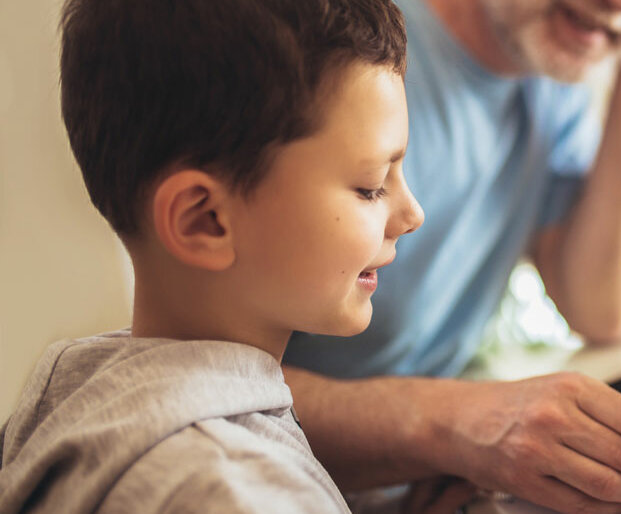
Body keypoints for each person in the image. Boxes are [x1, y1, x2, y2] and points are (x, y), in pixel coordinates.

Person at [0, 0, 467, 511]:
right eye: (371, 186)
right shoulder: (228, 490)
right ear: (206, 221)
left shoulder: (71, 394)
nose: (412, 213)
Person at [280, 0, 621, 511]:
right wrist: (449, 426)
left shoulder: (551, 83)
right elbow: (201, 369)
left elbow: (602, 308)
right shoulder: (349, 40)